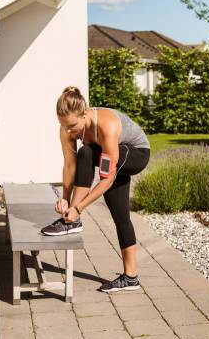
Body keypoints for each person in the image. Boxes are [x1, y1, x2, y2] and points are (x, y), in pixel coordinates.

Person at [40, 86, 151, 292]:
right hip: (109, 154)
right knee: (120, 214)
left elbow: (106, 179)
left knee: (87, 154)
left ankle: (73, 219)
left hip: (136, 153)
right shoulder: (66, 128)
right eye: (64, 126)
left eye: (73, 125)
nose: (69, 131)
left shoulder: (106, 127)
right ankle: (131, 278)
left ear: (84, 114)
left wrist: (78, 208)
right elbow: (70, 166)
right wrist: (65, 199)